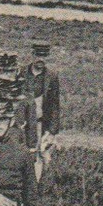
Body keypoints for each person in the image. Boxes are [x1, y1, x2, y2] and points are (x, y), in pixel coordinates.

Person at [24, 41, 63, 179]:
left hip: (40, 123)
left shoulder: (51, 77)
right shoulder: (22, 73)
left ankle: (35, 186)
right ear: (32, 55)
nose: (41, 59)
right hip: (23, 123)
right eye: (38, 55)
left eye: (44, 56)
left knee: (39, 155)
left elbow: (54, 105)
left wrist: (52, 131)